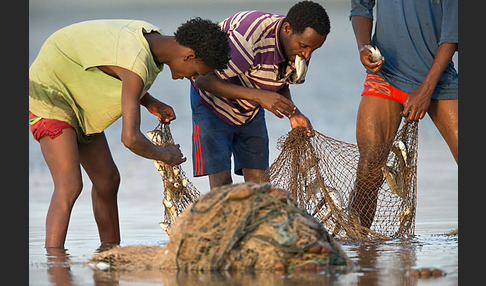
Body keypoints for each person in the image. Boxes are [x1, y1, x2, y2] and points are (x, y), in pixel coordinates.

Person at [29, 18, 230, 249]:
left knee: (107, 179)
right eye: (195, 72)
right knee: (70, 185)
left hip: (77, 92)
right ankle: (54, 262)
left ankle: (110, 250)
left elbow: (113, 65)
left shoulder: (151, 38)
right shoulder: (137, 61)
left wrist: (148, 100)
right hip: (49, 90)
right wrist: (165, 155)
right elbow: (130, 138)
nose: (192, 78)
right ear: (189, 56)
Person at [191, 1, 331, 189]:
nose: (306, 55)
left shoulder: (301, 49)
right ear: (287, 29)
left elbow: (280, 84)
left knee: (260, 184)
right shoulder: (249, 37)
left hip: (251, 109)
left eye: (313, 50)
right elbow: (203, 80)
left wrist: (294, 113)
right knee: (221, 184)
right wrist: (260, 96)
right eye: (304, 46)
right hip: (212, 105)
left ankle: (255, 219)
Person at [349, 0, 458, 229]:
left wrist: (426, 89)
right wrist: (363, 46)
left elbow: (453, 32)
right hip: (385, 75)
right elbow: (360, 7)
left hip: (439, 77)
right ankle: (358, 251)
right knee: (369, 171)